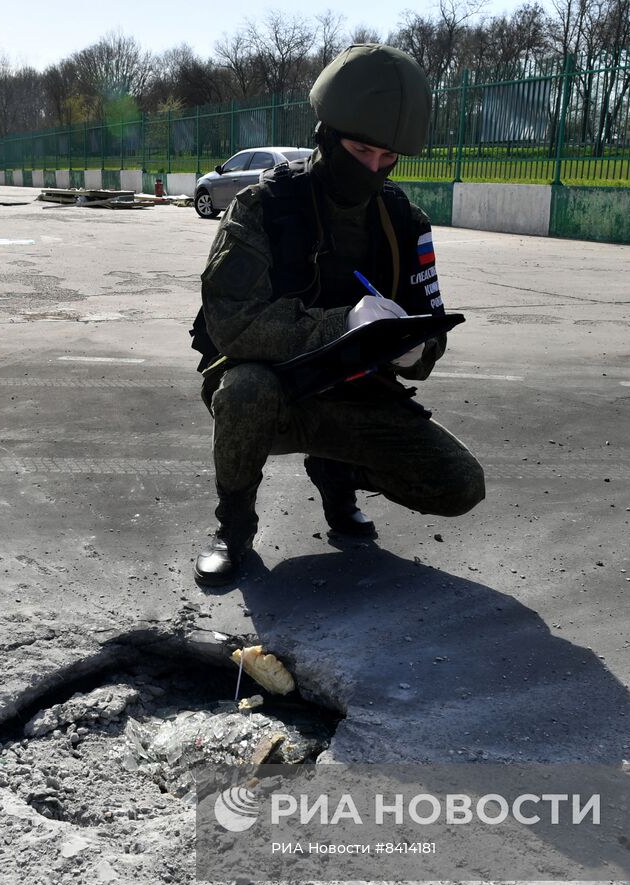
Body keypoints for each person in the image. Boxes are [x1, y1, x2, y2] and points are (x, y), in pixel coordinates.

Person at [192, 43, 486, 586]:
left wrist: (416, 349)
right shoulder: (263, 208)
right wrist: (345, 325)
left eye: (387, 158)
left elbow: (430, 319)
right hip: (276, 395)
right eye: (359, 150)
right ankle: (232, 526)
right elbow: (231, 322)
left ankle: (336, 470)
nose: (372, 168)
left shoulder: (404, 222)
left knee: (459, 484)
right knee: (244, 390)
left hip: (357, 395)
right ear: (325, 133)